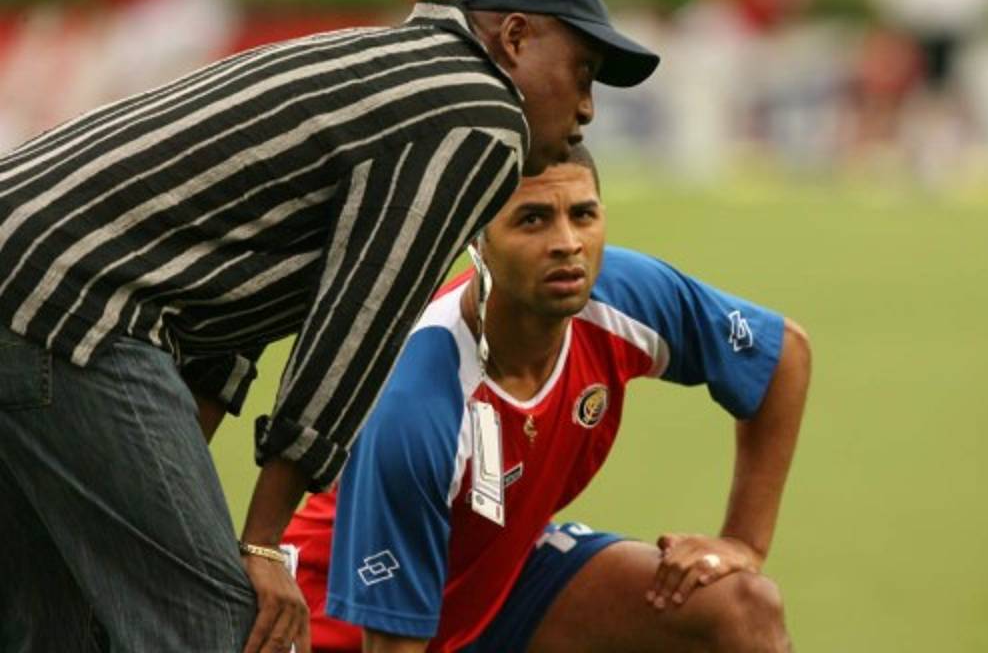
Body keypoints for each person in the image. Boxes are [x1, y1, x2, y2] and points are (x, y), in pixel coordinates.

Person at [0, 0, 658, 652]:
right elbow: (359, 326)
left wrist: (175, 496)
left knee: (59, 622)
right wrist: (260, 546)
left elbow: (229, 312)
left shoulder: (378, 66)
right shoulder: (478, 114)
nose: (587, 108)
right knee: (220, 626)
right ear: (517, 37)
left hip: (37, 282)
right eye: (582, 73)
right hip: (69, 302)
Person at [283, 146, 812, 652]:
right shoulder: (418, 404)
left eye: (583, 215)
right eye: (532, 219)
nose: (568, 243)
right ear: (476, 240)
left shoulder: (621, 297)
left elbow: (782, 356)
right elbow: (390, 642)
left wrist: (744, 543)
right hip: (342, 628)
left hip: (495, 587)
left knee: (743, 609)